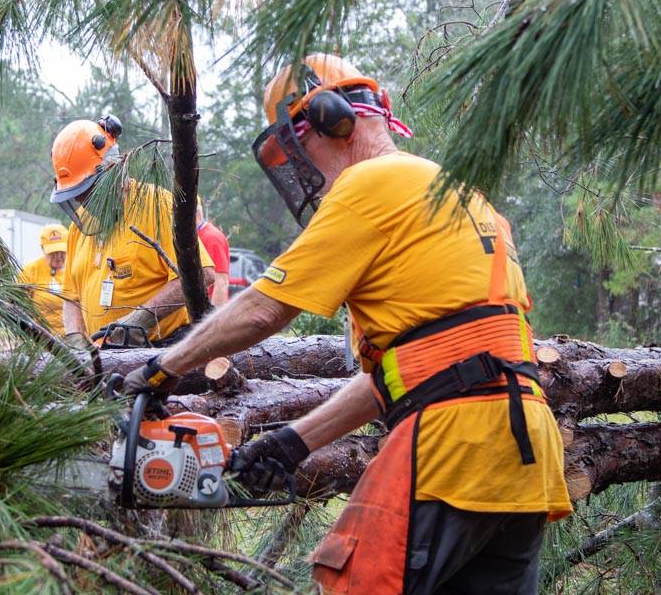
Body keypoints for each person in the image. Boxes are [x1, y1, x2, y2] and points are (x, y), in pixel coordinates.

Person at [121, 54, 572, 593]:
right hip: (525, 455)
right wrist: (293, 441)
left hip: (455, 443)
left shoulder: (371, 184)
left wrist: (162, 367)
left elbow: (267, 307)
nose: (301, 170)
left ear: (331, 120)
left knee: (353, 580)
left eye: (297, 149)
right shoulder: (462, 196)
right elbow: (421, 369)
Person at [49, 115, 214, 348]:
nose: (81, 200)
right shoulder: (79, 228)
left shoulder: (156, 205)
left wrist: (142, 318)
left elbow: (203, 273)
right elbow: (71, 297)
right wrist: (75, 336)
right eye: (76, 193)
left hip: (162, 349)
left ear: (112, 169)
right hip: (105, 356)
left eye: (86, 191)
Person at [16, 224, 71, 334]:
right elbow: (19, 305)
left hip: (70, 335)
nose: (58, 256)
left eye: (61, 251)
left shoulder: (73, 270)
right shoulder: (31, 271)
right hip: (41, 336)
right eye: (53, 252)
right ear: (43, 248)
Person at [195, 196, 230, 306]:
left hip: (206, 313)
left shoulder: (212, 238)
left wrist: (211, 319)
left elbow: (221, 282)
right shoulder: (193, 237)